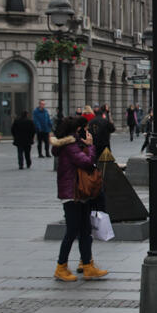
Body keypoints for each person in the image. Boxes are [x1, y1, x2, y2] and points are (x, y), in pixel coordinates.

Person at [50, 117, 108, 281]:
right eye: (85, 129)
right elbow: (87, 163)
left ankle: (88, 265)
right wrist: (90, 146)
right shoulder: (70, 146)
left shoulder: (73, 144)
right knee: (72, 231)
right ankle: (61, 267)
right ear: (77, 130)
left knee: (85, 231)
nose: (87, 132)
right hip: (72, 194)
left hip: (79, 193)